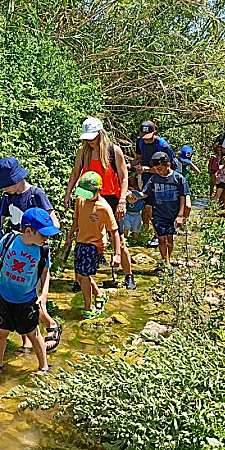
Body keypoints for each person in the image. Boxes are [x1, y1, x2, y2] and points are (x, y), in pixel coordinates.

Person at [0, 157, 63, 351]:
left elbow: (55, 223)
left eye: (5, 186)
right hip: (17, 250)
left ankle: (51, 324)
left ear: (17, 179)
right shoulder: (7, 197)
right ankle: (27, 342)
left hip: (34, 251)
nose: (4, 190)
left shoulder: (36, 195)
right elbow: (0, 220)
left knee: (32, 297)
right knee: (18, 294)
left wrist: (39, 235)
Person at [64, 118, 135, 290]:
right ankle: (80, 279)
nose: (89, 141)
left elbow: (124, 177)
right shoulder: (83, 151)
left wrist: (122, 201)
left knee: (118, 237)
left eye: (92, 138)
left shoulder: (113, 151)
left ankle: (128, 275)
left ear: (101, 134)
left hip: (110, 197)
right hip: (87, 196)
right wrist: (68, 192)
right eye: (87, 138)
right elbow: (75, 173)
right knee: (83, 235)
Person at [0, 208, 58, 378]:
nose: (47, 238)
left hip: (26, 299)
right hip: (4, 295)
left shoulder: (42, 250)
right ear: (28, 231)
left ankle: (44, 366)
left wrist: (44, 294)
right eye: (43, 234)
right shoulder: (10, 240)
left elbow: (44, 273)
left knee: (33, 332)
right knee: (1, 332)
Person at [63, 172, 121, 318]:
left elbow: (114, 231)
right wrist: (69, 236)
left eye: (89, 193)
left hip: (95, 245)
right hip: (81, 242)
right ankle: (99, 295)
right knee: (81, 276)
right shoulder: (80, 200)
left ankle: (89, 308)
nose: (85, 196)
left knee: (83, 276)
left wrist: (117, 254)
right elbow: (76, 220)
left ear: (98, 190)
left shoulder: (104, 207)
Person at [134, 151, 192, 269]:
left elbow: (183, 198)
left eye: (160, 168)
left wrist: (180, 215)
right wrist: (135, 195)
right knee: (161, 238)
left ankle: (168, 258)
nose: (158, 171)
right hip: (158, 213)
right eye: (156, 169)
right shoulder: (154, 179)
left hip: (173, 213)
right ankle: (165, 261)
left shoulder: (178, 179)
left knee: (170, 238)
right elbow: (145, 193)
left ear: (168, 165)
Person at [131, 121, 175, 248]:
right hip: (146, 177)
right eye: (143, 136)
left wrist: (146, 169)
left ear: (154, 133)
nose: (144, 139)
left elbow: (167, 167)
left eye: (147, 137)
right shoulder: (140, 142)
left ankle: (162, 235)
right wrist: (130, 165)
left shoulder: (163, 145)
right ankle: (151, 232)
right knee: (147, 206)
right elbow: (138, 158)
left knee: (159, 206)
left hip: (162, 178)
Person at [123, 176, 145, 244]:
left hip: (137, 214)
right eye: (130, 189)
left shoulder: (138, 194)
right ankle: (124, 240)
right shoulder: (127, 194)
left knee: (136, 228)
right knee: (126, 227)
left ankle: (135, 240)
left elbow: (134, 200)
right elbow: (130, 200)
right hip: (128, 213)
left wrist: (139, 174)